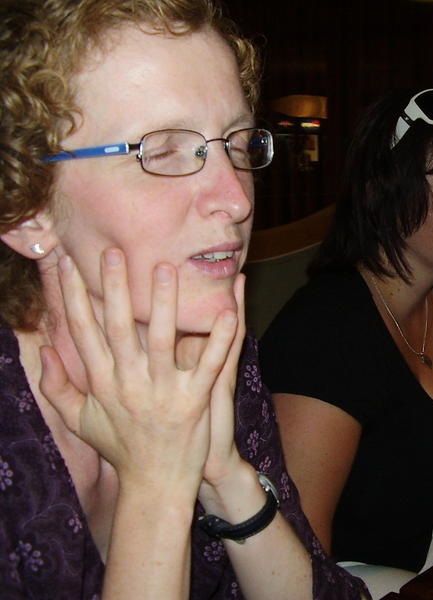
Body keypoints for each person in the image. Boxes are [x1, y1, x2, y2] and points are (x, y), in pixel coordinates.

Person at [0, 1, 368, 598]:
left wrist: (226, 477)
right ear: (27, 210)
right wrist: (158, 477)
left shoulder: (207, 351)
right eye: (163, 151)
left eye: (236, 144)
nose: (236, 199)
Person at [259, 88, 433, 598]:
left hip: (420, 536)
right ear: (383, 195)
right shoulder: (325, 334)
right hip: (335, 569)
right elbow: (300, 555)